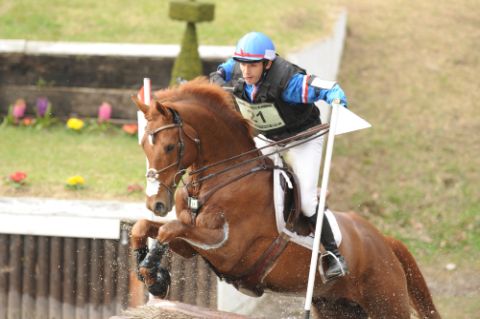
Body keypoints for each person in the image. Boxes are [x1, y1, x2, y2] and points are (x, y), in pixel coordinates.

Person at [210, 31, 349, 280]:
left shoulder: (291, 83)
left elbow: (329, 88)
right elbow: (225, 69)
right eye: (243, 64)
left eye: (252, 65)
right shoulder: (238, 67)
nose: (246, 71)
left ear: (268, 63)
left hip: (303, 137)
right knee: (243, 174)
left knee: (306, 200)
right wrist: (219, 77)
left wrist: (337, 98)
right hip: (268, 136)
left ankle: (334, 254)